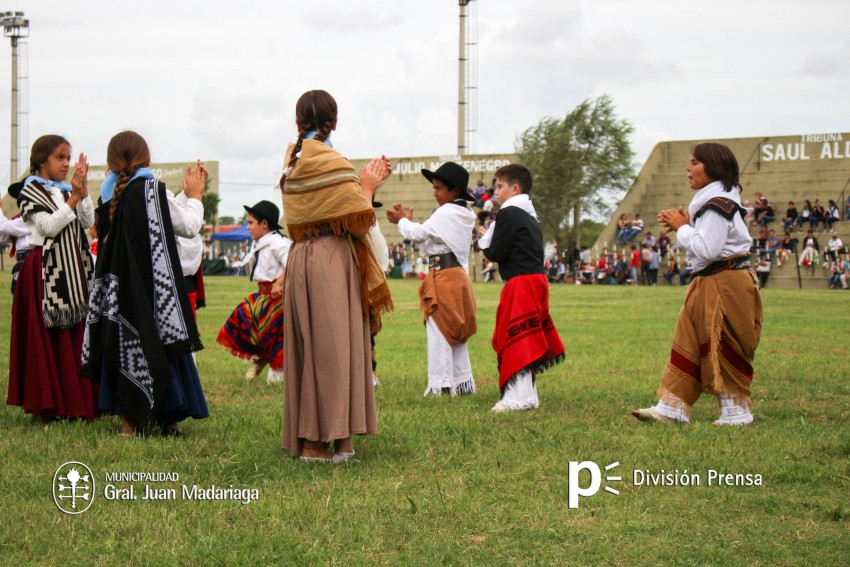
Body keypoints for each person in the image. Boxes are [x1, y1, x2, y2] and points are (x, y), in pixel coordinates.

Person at [279, 90, 392, 462]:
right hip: (331, 259)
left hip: (300, 259)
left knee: (314, 347)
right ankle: (317, 444)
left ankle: (338, 439)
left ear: (298, 124)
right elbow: (359, 224)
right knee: (333, 349)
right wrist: (368, 188)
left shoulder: (291, 160)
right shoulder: (334, 162)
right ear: (335, 123)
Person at [81, 130, 208, 437]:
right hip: (152, 291)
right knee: (161, 346)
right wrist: (195, 196)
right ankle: (168, 419)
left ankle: (129, 424)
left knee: (124, 347)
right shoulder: (152, 188)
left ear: (111, 162)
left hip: (118, 291)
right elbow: (188, 226)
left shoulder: (110, 191)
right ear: (147, 157)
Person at [633, 142, 762, 426]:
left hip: (724, 281)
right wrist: (688, 223)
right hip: (713, 280)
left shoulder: (717, 205)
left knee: (724, 344)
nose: (688, 168)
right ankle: (672, 406)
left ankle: (737, 411)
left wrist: (683, 228)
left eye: (694, 163)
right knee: (688, 339)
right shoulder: (716, 202)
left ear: (712, 167)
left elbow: (709, 249)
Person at [7, 135, 99, 421]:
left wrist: (81, 194)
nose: (66, 164)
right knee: (45, 336)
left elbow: (88, 223)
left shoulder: (63, 190)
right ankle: (47, 405)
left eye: (68, 158)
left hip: (71, 269)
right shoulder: (30, 191)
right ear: (41, 160)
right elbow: (47, 227)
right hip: (43, 270)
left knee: (72, 334)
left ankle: (74, 403)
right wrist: (72, 198)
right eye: (60, 157)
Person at [477, 164, 564, 412]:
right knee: (525, 335)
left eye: (500, 186)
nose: (496, 191)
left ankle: (516, 397)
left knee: (516, 337)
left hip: (521, 282)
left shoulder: (509, 212)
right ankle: (527, 394)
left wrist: (485, 241)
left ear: (515, 188)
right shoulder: (529, 215)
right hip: (536, 280)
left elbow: (498, 252)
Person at [387, 161, 478, 397]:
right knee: (454, 330)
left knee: (439, 329)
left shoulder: (449, 212)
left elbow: (417, 234)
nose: (435, 193)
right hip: (452, 273)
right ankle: (461, 382)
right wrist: (408, 223)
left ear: (454, 190)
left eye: (439, 188)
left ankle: (442, 385)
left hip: (445, 276)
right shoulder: (463, 212)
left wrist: (402, 221)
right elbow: (430, 243)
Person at [217, 200, 290, 384]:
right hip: (262, 296)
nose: (247, 227)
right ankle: (261, 357)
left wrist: (279, 283)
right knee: (243, 321)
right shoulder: (260, 242)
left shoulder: (278, 244)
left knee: (275, 335)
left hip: (278, 299)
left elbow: (294, 264)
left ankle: (277, 377)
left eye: (250, 223)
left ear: (264, 224)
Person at [0, 203, 31, 294]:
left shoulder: (32, 217)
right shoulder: (17, 219)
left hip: (30, 262)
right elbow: (3, 237)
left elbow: (4, 226)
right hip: (21, 262)